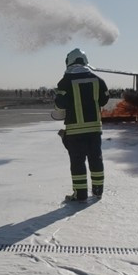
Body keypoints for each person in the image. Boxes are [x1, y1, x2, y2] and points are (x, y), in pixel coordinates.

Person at [54, 47, 109, 202]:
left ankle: (80, 194)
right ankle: (98, 191)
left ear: (69, 62)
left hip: (75, 130)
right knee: (96, 159)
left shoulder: (64, 82)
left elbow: (59, 104)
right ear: (85, 61)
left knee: (77, 163)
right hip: (94, 129)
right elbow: (104, 100)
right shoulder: (98, 80)